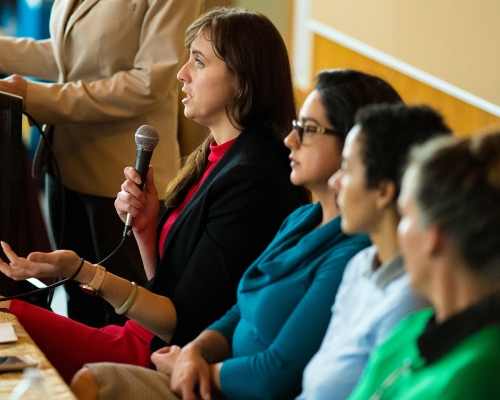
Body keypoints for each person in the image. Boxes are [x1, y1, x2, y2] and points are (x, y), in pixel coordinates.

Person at [0, 7, 306, 384]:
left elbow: (184, 322)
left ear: (243, 80)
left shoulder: (252, 179)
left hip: (157, 354)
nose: (182, 73)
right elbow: (171, 282)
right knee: (7, 316)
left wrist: (81, 270)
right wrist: (147, 231)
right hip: (141, 336)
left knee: (8, 317)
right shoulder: (215, 156)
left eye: (198, 61)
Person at [68, 69, 403, 400]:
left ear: (355, 147)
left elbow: (277, 372)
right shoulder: (302, 218)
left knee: (88, 382)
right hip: (202, 368)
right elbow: (238, 309)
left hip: (229, 384)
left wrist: (193, 368)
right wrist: (194, 353)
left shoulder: (349, 250)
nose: (291, 139)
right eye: (297, 126)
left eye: (309, 130)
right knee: (87, 381)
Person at [0, 0, 204, 327]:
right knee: (77, 308)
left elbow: (148, 84)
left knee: (123, 316)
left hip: (122, 182)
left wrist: (36, 97)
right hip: (64, 166)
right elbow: (68, 55)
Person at [298, 103, 451, 400]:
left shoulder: (409, 298)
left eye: (346, 168)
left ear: (383, 191)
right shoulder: (360, 265)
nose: (334, 182)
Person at [347, 130, 500, 399]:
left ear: (432, 235)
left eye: (404, 216)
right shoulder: (412, 327)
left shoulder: (475, 372)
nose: (397, 232)